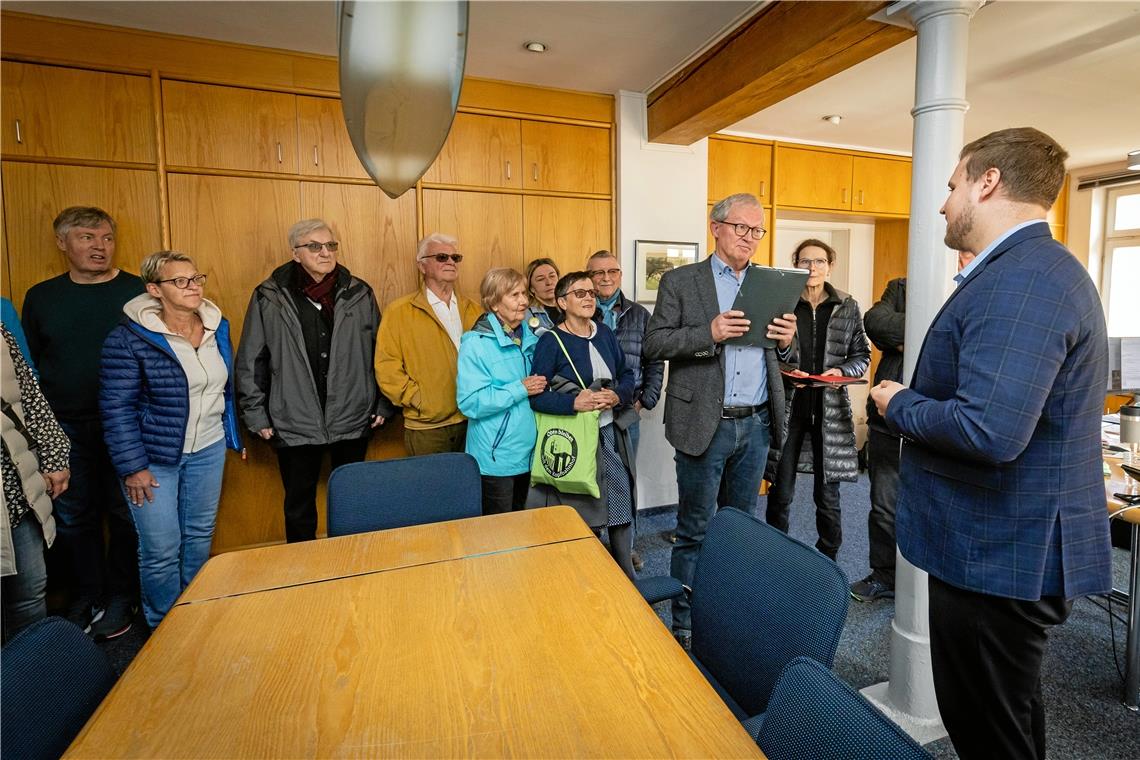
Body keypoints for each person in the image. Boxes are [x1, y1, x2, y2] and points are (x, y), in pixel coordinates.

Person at [870, 127, 1110, 760]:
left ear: (988, 182)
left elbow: (988, 430)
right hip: (998, 540)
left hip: (999, 549)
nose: (944, 203)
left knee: (986, 733)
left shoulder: (1025, 279)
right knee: (1007, 721)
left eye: (951, 186)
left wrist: (897, 403)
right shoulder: (1023, 270)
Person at [643, 192, 797, 647]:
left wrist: (788, 342)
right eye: (741, 228)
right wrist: (707, 334)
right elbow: (655, 344)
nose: (750, 238)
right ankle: (686, 625)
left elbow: (787, 357)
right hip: (702, 425)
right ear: (716, 227)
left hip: (756, 425)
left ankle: (728, 617)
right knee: (695, 530)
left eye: (757, 231)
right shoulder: (681, 281)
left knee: (740, 530)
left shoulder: (771, 285)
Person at [100, 251, 243, 628]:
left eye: (196, 278)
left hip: (208, 449)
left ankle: (193, 614)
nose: (193, 287)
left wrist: (232, 434)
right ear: (154, 290)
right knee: (162, 548)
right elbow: (116, 408)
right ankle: (163, 626)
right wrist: (133, 467)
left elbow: (225, 390)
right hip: (153, 457)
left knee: (198, 537)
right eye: (180, 281)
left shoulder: (217, 326)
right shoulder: (129, 337)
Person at [21, 206, 143, 639]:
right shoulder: (41, 296)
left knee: (128, 514)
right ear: (63, 243)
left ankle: (122, 596)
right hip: (65, 427)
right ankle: (88, 593)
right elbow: (30, 366)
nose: (99, 247)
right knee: (74, 517)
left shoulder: (137, 293)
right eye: (88, 237)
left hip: (127, 425)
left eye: (107, 238)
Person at [235, 219, 395, 543]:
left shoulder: (359, 292)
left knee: (354, 501)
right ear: (296, 253)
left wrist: (384, 402)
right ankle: (303, 575)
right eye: (315, 246)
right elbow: (252, 359)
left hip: (352, 414)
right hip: (294, 418)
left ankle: (353, 565)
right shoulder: (270, 295)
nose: (325, 252)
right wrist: (255, 415)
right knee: (298, 506)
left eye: (330, 245)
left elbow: (382, 352)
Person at [851, 249, 976, 603]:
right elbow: (874, 321)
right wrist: (927, 331)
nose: (959, 258)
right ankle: (884, 575)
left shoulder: (972, 291)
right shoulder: (901, 287)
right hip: (888, 419)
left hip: (937, 420)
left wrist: (908, 337)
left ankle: (928, 587)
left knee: (936, 504)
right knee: (884, 503)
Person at [765, 239, 869, 561]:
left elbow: (862, 354)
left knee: (828, 495)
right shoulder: (781, 302)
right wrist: (785, 363)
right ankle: (775, 555)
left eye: (820, 261)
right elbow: (767, 352)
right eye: (806, 261)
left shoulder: (847, 305)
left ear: (830, 266)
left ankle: (829, 560)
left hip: (830, 412)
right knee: (780, 492)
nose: (812, 268)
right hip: (789, 410)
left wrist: (842, 370)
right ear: (795, 263)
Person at [530, 272, 637, 579]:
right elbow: (536, 398)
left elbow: (628, 376)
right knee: (584, 517)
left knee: (620, 508)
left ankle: (626, 579)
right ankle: (586, 580)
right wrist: (572, 403)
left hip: (609, 436)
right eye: (580, 293)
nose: (589, 297)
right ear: (562, 302)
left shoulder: (603, 332)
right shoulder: (550, 342)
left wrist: (617, 395)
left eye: (591, 293)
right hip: (576, 441)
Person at [587, 249, 664, 570]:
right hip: (587, 413)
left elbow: (655, 359)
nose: (606, 278)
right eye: (598, 273)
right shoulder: (581, 310)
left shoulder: (639, 314)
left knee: (624, 481)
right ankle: (591, 544)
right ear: (588, 277)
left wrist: (646, 398)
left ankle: (625, 548)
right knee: (589, 480)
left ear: (620, 275)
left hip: (627, 413)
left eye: (612, 272)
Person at [376, 232, 481, 456]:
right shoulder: (399, 311)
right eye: (442, 257)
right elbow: (386, 366)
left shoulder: (474, 309)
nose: (451, 262)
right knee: (430, 490)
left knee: (468, 489)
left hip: (472, 421)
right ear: (422, 266)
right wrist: (418, 399)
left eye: (455, 257)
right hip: (427, 427)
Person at [456, 268, 547, 515]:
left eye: (524, 293)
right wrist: (520, 389)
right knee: (499, 535)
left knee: (526, 528)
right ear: (495, 303)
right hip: (496, 460)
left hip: (531, 454)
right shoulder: (476, 343)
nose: (524, 301)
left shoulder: (534, 338)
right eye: (514, 295)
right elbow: (470, 402)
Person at [1, 325, 69, 641]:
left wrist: (55, 456)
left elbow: (29, 397)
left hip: (15, 492)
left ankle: (35, 679)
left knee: (29, 594)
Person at [524, 257, 561, 333]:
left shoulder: (572, 308)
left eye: (552, 276)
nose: (549, 282)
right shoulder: (526, 315)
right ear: (531, 288)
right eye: (541, 279)